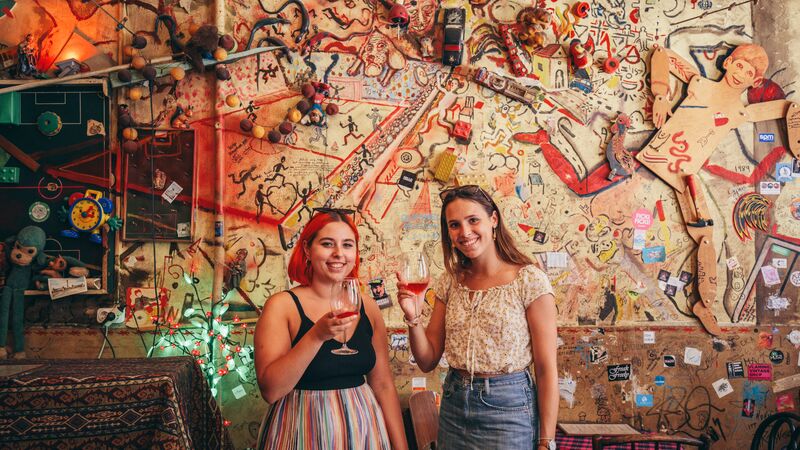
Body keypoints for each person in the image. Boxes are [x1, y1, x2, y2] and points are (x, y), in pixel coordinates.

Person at [397, 185, 559, 450]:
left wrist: (546, 441)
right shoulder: (449, 281)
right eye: (454, 225)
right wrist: (413, 318)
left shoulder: (529, 280)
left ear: (493, 220)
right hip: (453, 404)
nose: (465, 232)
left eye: (473, 220)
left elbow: (545, 368)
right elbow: (427, 360)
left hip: (509, 410)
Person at [254, 210, 407, 449]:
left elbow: (383, 385)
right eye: (327, 244)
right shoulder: (282, 306)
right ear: (307, 249)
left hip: (364, 430)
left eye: (347, 245)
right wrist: (317, 335)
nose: (338, 254)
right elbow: (271, 390)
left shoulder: (367, 306)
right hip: (301, 430)